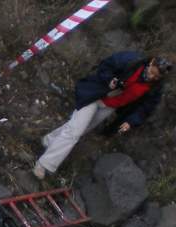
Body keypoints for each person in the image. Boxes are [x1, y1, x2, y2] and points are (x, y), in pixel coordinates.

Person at [33, 52, 171, 179]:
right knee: (75, 132)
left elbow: (146, 108)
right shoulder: (131, 61)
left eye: (156, 77)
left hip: (109, 106)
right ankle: (44, 164)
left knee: (80, 129)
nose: (152, 77)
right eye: (152, 72)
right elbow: (106, 65)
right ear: (151, 62)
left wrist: (131, 121)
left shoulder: (155, 88)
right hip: (95, 96)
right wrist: (110, 80)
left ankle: (49, 140)